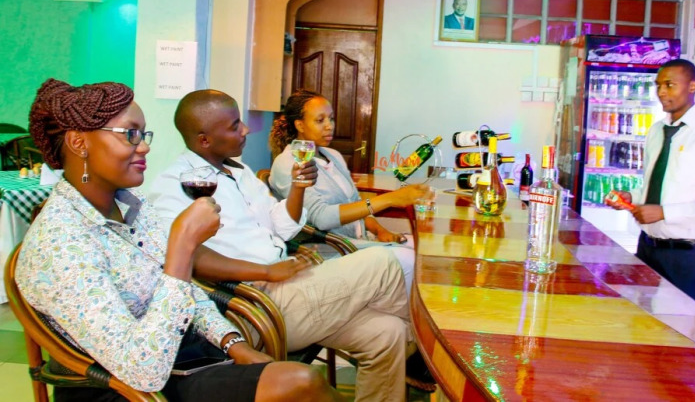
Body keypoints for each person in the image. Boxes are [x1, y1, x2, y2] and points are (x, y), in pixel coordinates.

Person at [17, 79, 340, 402]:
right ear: (79, 143)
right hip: (123, 388)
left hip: (182, 357)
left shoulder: (133, 207)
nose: (144, 147)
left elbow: (189, 294)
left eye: (144, 135)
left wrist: (234, 344)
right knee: (302, 383)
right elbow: (142, 370)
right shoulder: (59, 242)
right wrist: (183, 248)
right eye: (130, 134)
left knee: (304, 379)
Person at [150, 89, 432, 401]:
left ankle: (420, 347)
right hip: (255, 303)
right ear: (204, 140)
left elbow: (280, 224)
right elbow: (187, 255)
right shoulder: (174, 184)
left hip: (288, 283)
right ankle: (434, 351)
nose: (246, 129)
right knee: (389, 263)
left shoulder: (239, 172)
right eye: (234, 126)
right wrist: (267, 272)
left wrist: (298, 188)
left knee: (388, 333)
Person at [268, 89, 431, 296]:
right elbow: (322, 218)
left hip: (363, 239)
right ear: (299, 125)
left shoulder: (333, 156)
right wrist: (389, 199)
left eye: (331, 119)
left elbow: (355, 202)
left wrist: (380, 231)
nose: (329, 126)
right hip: (331, 249)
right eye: (320, 120)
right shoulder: (287, 164)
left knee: (424, 248)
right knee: (411, 259)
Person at [611, 59, 695, 305]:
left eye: (669, 85)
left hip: (684, 257)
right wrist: (632, 197)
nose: (661, 92)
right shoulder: (656, 130)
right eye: (658, 85)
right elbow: (658, 186)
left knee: (679, 326)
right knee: (641, 322)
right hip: (646, 248)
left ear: (692, 86)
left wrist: (664, 213)